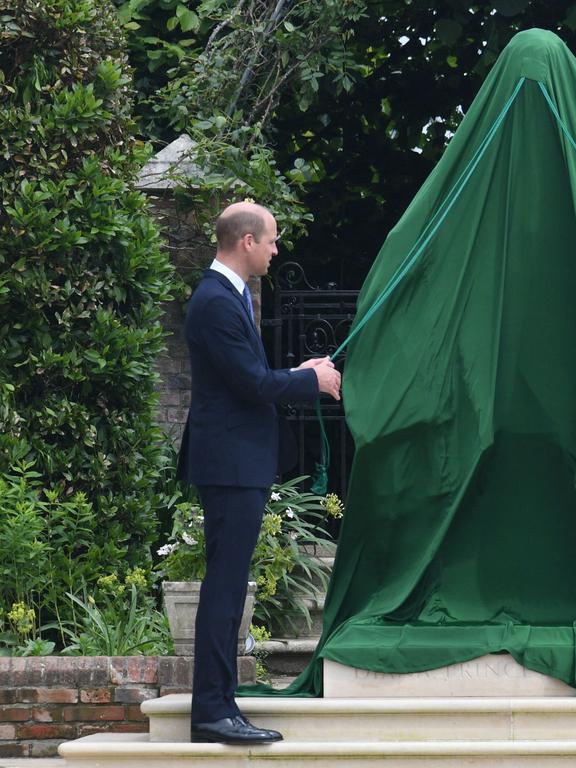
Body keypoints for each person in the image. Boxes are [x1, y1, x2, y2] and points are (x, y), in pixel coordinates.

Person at [177, 201, 341, 744]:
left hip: (235, 461)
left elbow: (247, 378)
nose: (276, 249)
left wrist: (299, 371)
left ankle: (221, 706)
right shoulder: (216, 301)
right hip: (228, 463)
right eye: (271, 240)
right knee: (224, 589)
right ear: (246, 241)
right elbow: (251, 384)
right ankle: (212, 713)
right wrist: (309, 382)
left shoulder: (231, 295)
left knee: (228, 587)